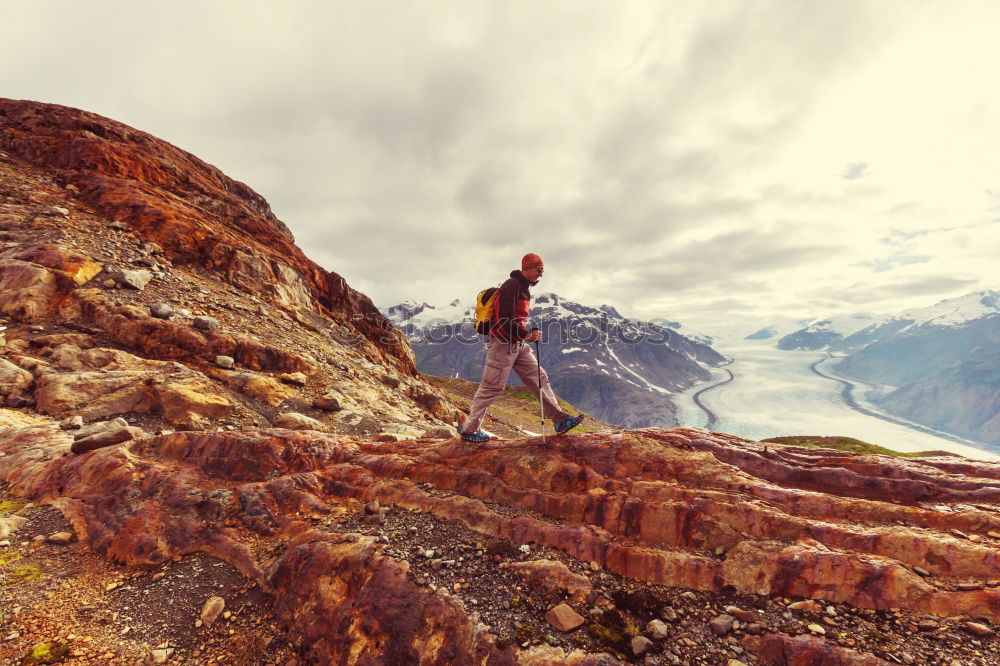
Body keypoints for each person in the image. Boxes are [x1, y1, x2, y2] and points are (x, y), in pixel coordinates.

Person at [460, 253, 585, 442]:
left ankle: (559, 420)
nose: (541, 275)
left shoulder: (523, 288)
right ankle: (470, 430)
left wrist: (524, 335)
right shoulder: (512, 286)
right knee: (491, 387)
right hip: (502, 344)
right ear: (527, 267)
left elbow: (515, 319)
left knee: (538, 376)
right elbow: (504, 320)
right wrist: (526, 334)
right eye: (539, 270)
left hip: (517, 344)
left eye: (543, 271)